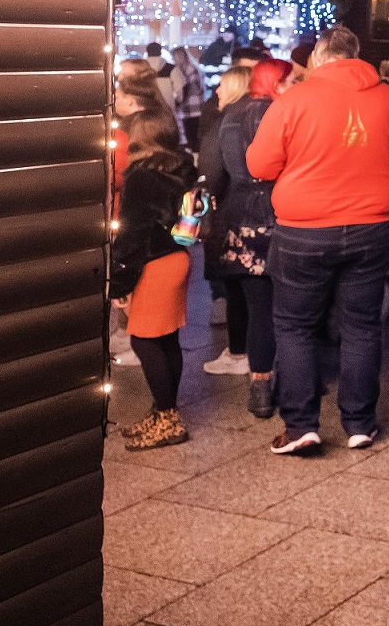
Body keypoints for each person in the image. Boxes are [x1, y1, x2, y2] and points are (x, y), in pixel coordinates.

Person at [247, 25, 389, 456]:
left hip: (304, 228)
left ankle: (301, 425)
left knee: (295, 325)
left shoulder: (294, 100)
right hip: (372, 226)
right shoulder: (388, 97)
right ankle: (360, 424)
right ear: (357, 56)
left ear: (320, 58)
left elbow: (260, 164)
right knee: (362, 326)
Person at [201, 61, 290, 414]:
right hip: (288, 218)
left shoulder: (229, 118)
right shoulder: (287, 113)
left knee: (259, 308)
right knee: (295, 308)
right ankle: (302, 378)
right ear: (277, 82)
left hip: (242, 222)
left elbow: (211, 177)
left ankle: (261, 386)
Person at [110, 107, 197, 451]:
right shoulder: (185, 168)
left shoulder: (141, 178)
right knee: (167, 339)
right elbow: (190, 225)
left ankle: (168, 418)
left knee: (144, 341)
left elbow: (132, 236)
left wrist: (118, 283)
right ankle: (162, 411)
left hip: (154, 265)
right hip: (178, 259)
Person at [168, 45, 206, 146]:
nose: (173, 61)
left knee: (191, 137)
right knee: (193, 137)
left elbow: (185, 90)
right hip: (195, 108)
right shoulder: (192, 68)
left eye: (173, 58)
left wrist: (177, 101)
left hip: (192, 109)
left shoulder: (188, 70)